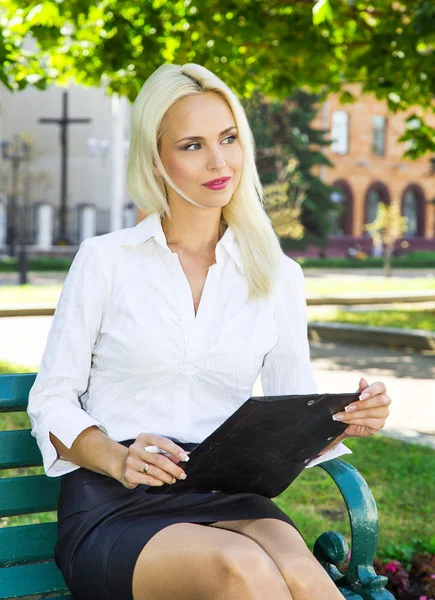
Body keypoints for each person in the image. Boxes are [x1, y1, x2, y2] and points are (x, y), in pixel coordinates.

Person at [27, 63, 392, 600]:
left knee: (308, 578)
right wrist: (119, 459)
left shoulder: (277, 275)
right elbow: (51, 400)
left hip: (230, 492)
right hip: (116, 500)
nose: (220, 162)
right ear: (157, 158)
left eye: (228, 138)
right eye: (193, 145)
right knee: (242, 568)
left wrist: (345, 420)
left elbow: (295, 407)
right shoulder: (106, 261)